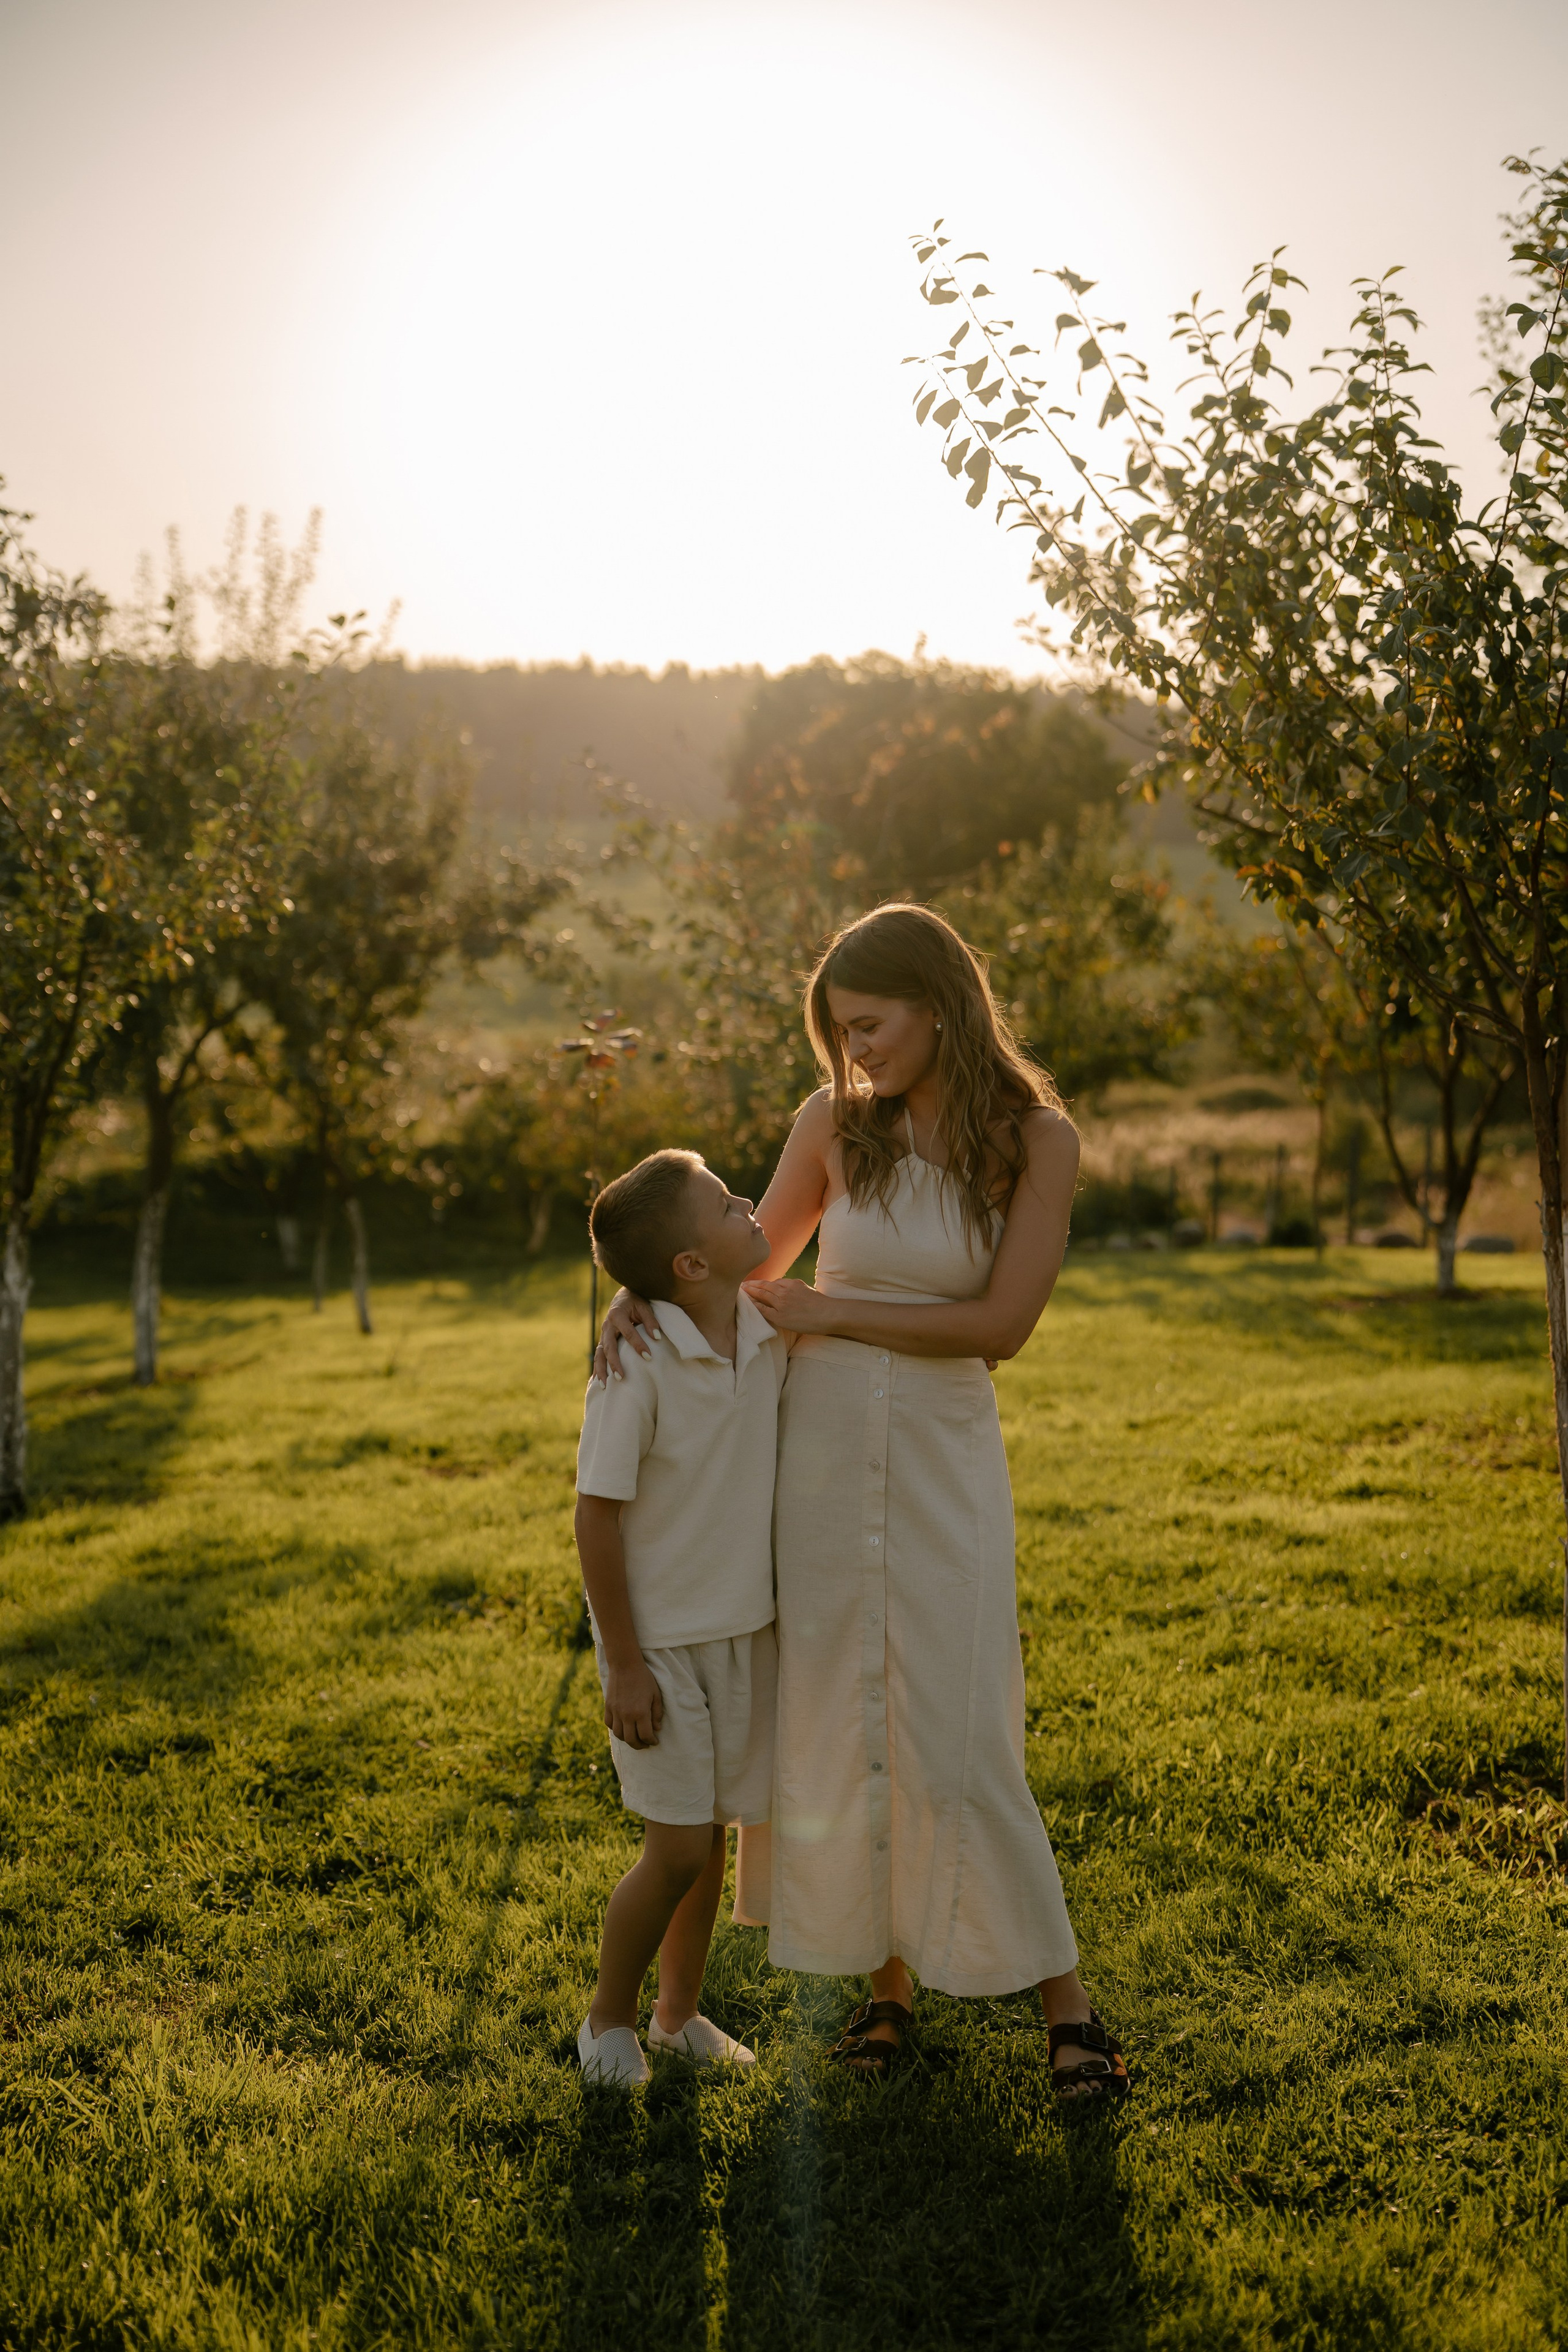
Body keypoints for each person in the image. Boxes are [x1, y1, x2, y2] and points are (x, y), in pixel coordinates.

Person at [598, 904, 1130, 2105]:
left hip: (945, 1452)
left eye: (871, 1025)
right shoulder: (833, 1123)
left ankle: (1065, 2003)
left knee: (960, 1721)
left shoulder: (1037, 1140)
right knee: (842, 1712)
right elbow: (743, 1268)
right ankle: (884, 1993)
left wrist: (836, 1313)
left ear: (939, 1004)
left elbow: (1001, 1329)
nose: (857, 1051)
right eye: (840, 1032)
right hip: (819, 1454)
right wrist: (645, 1299)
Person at [574, 1148, 785, 2087]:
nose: (749, 1203)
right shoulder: (637, 1362)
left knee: (713, 1838)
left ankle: (677, 2015)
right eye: (727, 1203)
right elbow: (596, 1513)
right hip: (657, 1647)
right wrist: (622, 1662)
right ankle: (605, 2024)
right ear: (690, 1266)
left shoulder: (771, 1325)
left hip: (745, 1631)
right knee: (676, 1847)